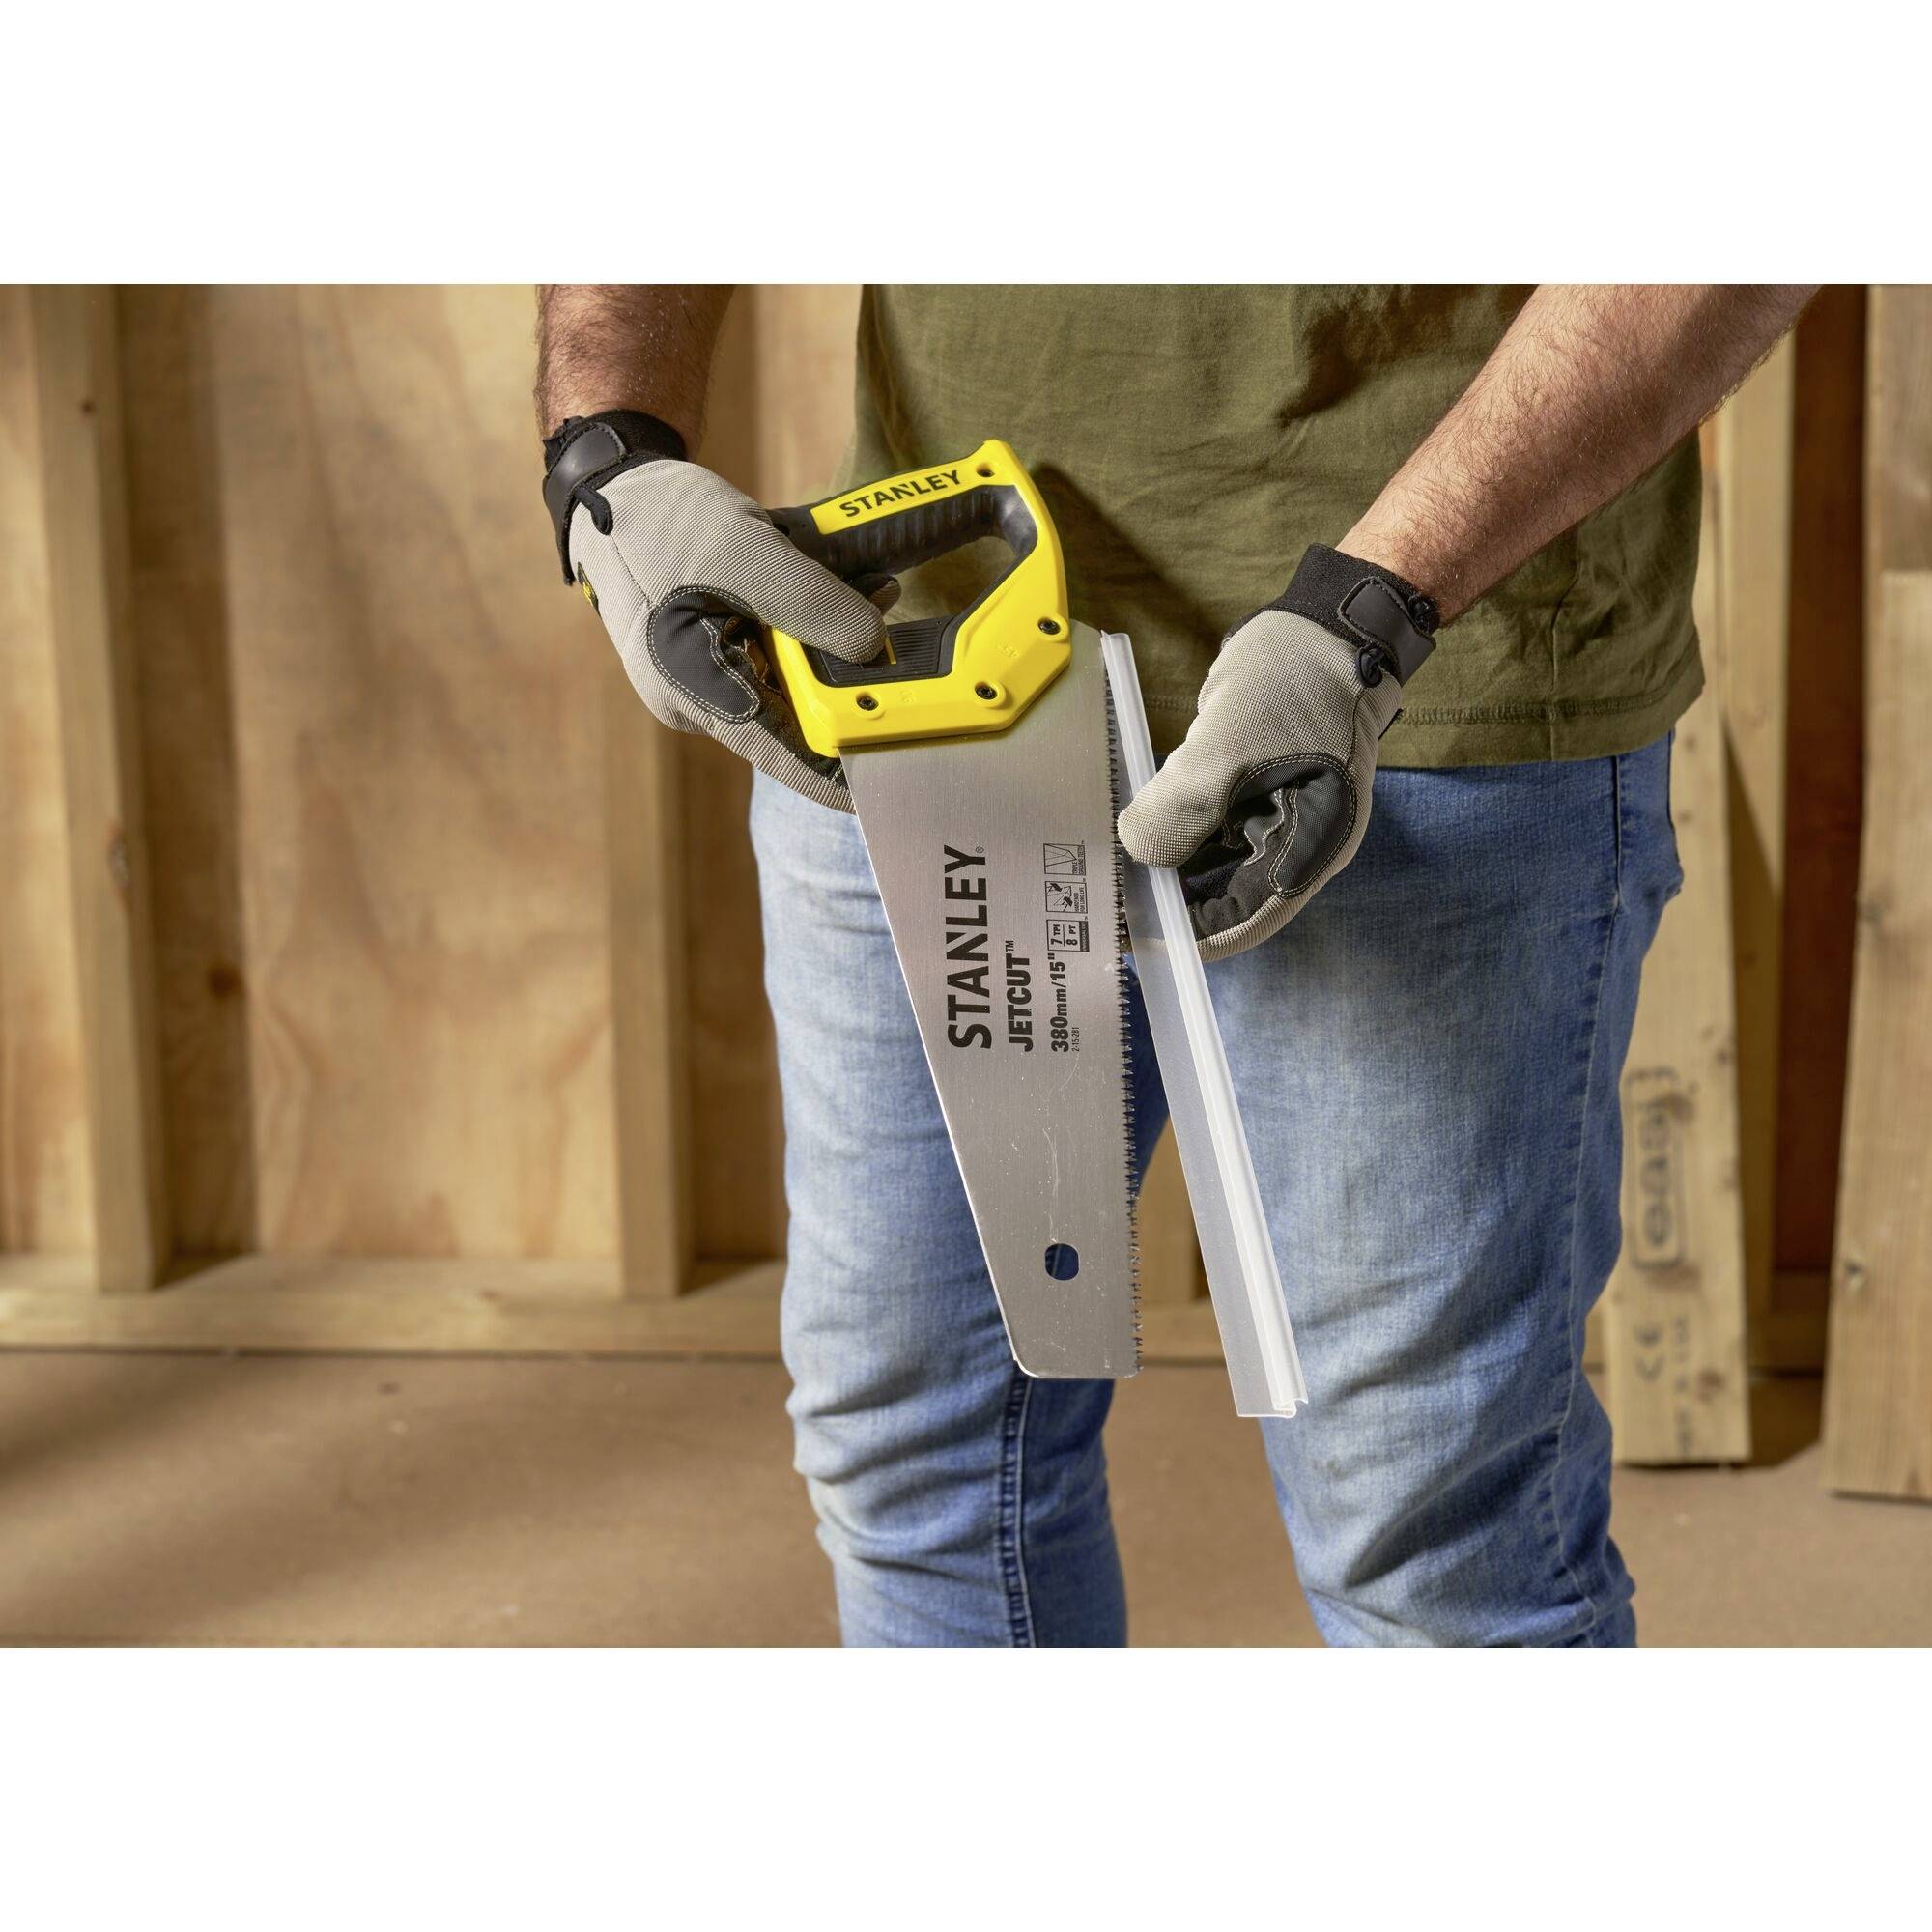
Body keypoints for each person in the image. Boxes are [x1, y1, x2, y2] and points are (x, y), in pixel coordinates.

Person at [534, 285, 1814, 1647]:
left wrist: (1377, 614)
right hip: (926, 669)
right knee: (914, 1463)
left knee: (1428, 1551)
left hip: (1422, 698)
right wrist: (607, 447)